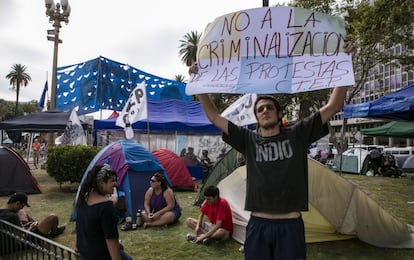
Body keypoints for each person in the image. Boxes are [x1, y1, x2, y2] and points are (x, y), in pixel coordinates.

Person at [190, 40, 353, 259]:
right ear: (256, 118)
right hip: (258, 225)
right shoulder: (248, 139)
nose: (265, 110)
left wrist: (345, 62)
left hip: (291, 226)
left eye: (269, 107)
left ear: (278, 114)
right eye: (260, 109)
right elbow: (214, 116)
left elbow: (333, 106)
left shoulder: (297, 134)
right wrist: (199, 84)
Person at [76, 164, 132, 260]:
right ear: (101, 183)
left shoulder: (84, 199)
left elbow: (79, 229)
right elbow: (111, 240)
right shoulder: (106, 207)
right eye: (112, 181)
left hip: (85, 254)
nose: (116, 184)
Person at [0, 192, 65, 238]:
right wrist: (31, 227)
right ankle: (53, 232)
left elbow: (13, 229)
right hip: (25, 241)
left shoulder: (2, 212)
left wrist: (25, 226)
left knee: (21, 212)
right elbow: (21, 238)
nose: (22, 208)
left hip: (8, 238)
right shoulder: (13, 216)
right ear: (17, 203)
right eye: (22, 205)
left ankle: (39, 226)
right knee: (53, 217)